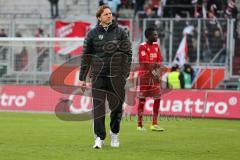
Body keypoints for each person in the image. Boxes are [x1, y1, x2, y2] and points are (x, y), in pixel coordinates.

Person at [79, 5, 132, 149]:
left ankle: (114, 134)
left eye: (110, 13)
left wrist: (124, 73)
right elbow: (86, 57)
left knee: (116, 108)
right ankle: (99, 138)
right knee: (98, 108)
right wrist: (82, 78)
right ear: (99, 17)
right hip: (98, 76)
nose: (109, 16)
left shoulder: (121, 33)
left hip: (116, 77)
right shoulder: (92, 34)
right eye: (106, 14)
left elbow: (128, 54)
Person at [137, 27, 164, 131]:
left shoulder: (157, 46)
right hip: (144, 76)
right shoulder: (142, 46)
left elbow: (159, 60)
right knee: (142, 99)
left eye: (157, 35)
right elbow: (146, 63)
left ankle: (154, 123)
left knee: (158, 98)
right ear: (148, 36)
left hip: (153, 75)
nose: (157, 36)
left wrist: (156, 66)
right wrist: (154, 72)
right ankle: (139, 125)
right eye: (155, 35)